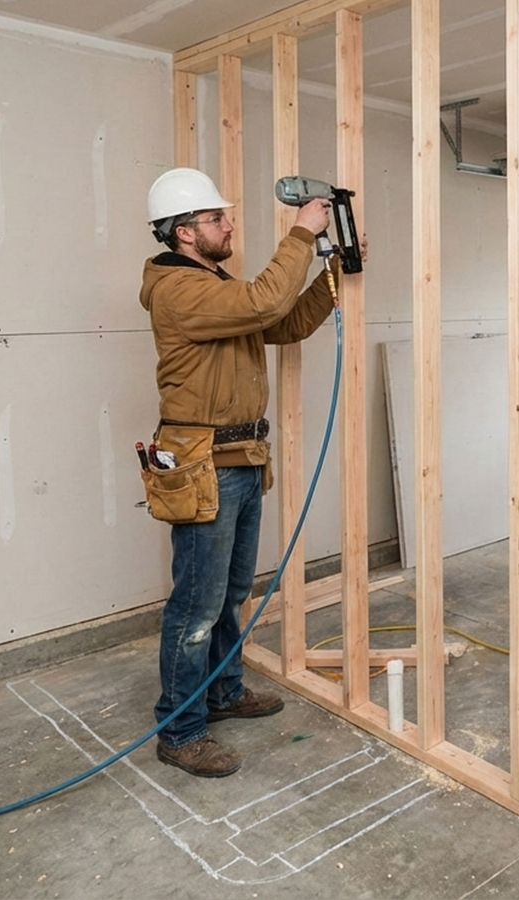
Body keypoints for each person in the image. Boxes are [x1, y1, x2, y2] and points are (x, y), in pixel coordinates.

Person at [139, 167, 337, 778]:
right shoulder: (179, 289)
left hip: (242, 459)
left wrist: (333, 277)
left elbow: (283, 322)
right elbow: (263, 301)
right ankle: (180, 729)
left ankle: (223, 693)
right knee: (196, 606)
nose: (229, 225)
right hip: (204, 466)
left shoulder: (214, 286)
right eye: (217, 218)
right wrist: (302, 233)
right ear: (184, 232)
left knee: (229, 594)